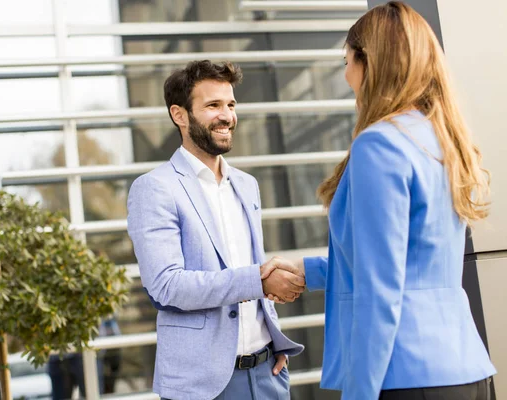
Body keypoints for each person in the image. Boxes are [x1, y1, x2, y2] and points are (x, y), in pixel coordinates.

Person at [263, 2, 496, 399]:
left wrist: (359, 394)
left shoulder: (379, 144)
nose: (346, 75)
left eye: (348, 61)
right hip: (465, 369)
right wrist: (308, 270)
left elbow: (381, 287)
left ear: (370, 63)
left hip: (405, 373)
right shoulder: (439, 138)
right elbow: (412, 262)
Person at [127, 60, 305, 400]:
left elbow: (252, 265)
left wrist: (273, 336)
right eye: (213, 106)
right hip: (204, 386)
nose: (227, 116)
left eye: (231, 105)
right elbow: (167, 285)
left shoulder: (246, 185)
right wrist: (257, 279)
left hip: (268, 373)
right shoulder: (154, 189)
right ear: (179, 115)